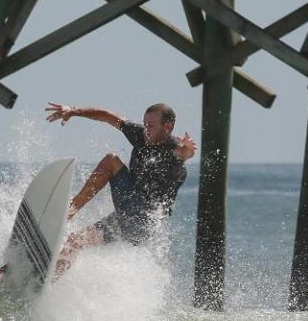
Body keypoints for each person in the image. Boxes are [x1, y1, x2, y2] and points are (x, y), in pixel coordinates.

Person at [45, 101, 196, 275]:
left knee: (111, 160)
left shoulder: (174, 149)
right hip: (128, 222)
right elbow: (108, 116)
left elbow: (185, 154)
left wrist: (188, 151)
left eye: (151, 126)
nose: (146, 129)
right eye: (145, 124)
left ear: (167, 127)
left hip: (143, 219)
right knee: (75, 242)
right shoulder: (140, 135)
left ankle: (68, 212)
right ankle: (47, 283)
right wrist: (73, 111)